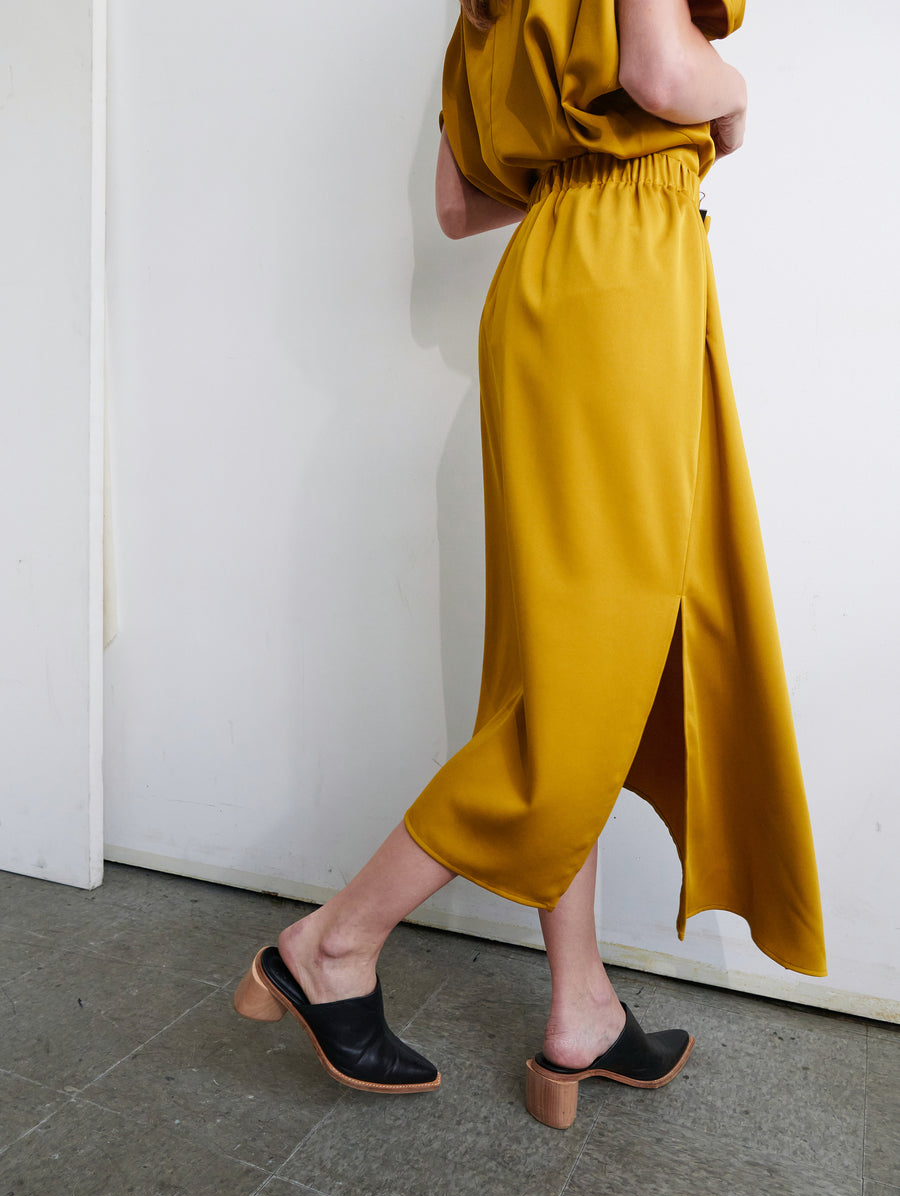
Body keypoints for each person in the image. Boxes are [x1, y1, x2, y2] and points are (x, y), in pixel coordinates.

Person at [234, 0, 826, 1129]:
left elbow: (461, 206)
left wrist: (573, 176)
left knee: (567, 661)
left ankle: (580, 1009)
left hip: (548, 280)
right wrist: (734, 102)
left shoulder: (477, 14)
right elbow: (660, 67)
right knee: (577, 681)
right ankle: (331, 944)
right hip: (624, 286)